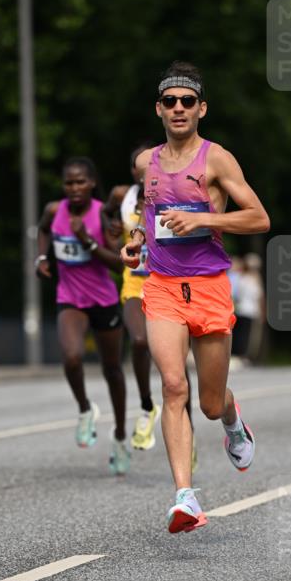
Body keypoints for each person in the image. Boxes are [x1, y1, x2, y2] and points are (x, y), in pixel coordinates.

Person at [121, 61, 270, 532]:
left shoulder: (217, 159)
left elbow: (259, 219)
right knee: (172, 386)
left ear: (201, 109)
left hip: (208, 288)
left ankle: (230, 419)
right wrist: (136, 244)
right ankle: (185, 498)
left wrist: (205, 220)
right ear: (159, 110)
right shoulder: (147, 163)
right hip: (163, 287)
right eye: (170, 101)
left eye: (188, 101)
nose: (179, 108)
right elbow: (149, 215)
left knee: (207, 402)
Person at [104, 145, 199, 467]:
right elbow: (107, 215)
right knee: (140, 341)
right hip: (135, 285)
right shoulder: (122, 195)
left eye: (151, 164)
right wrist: (112, 231)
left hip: (171, 285)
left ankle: (190, 437)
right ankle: (147, 405)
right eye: (139, 166)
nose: (145, 170)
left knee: (177, 373)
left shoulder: (174, 194)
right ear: (133, 171)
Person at [36, 156, 130, 475]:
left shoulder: (104, 215)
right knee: (72, 357)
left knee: (112, 370)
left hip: (103, 299)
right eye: (69, 183)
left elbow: (118, 264)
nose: (74, 188)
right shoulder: (54, 210)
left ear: (91, 183)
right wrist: (41, 257)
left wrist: (86, 240)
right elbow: (43, 230)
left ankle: (119, 435)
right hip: (70, 298)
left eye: (81, 182)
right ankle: (85, 410)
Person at [233, 252, 265, 363]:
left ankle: (243, 355)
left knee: (245, 335)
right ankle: (241, 356)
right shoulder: (246, 279)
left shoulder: (245, 278)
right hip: (247, 310)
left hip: (245, 310)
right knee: (245, 335)